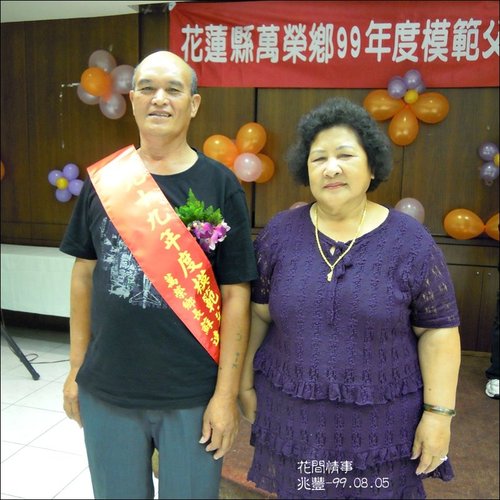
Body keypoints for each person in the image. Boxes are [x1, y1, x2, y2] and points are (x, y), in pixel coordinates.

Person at [239, 97, 461, 499]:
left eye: (345, 155)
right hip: (295, 421)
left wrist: (439, 414)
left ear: (372, 166)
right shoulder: (279, 234)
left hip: (383, 430)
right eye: (318, 158)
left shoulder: (411, 242)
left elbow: (438, 332)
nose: (331, 168)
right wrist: (244, 384)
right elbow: (258, 315)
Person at [60, 50, 258, 499]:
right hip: (108, 386)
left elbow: (236, 295)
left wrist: (225, 395)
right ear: (132, 99)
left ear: (194, 103)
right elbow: (83, 275)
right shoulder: (105, 181)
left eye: (174, 89)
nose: (159, 99)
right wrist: (75, 369)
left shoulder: (220, 184)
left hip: (192, 393)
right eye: (147, 88)